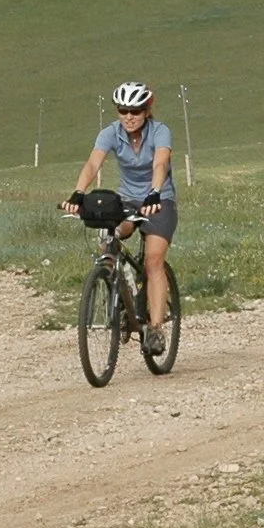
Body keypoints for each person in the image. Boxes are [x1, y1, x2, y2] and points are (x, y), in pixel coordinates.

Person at [63, 81, 176, 350]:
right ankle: (121, 294)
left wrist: (155, 192)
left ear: (146, 110)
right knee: (110, 239)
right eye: (123, 110)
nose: (129, 116)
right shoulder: (111, 133)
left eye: (135, 111)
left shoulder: (160, 131)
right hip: (127, 199)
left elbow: (160, 163)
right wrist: (78, 193)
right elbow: (94, 162)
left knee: (153, 260)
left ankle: (156, 330)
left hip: (159, 200)